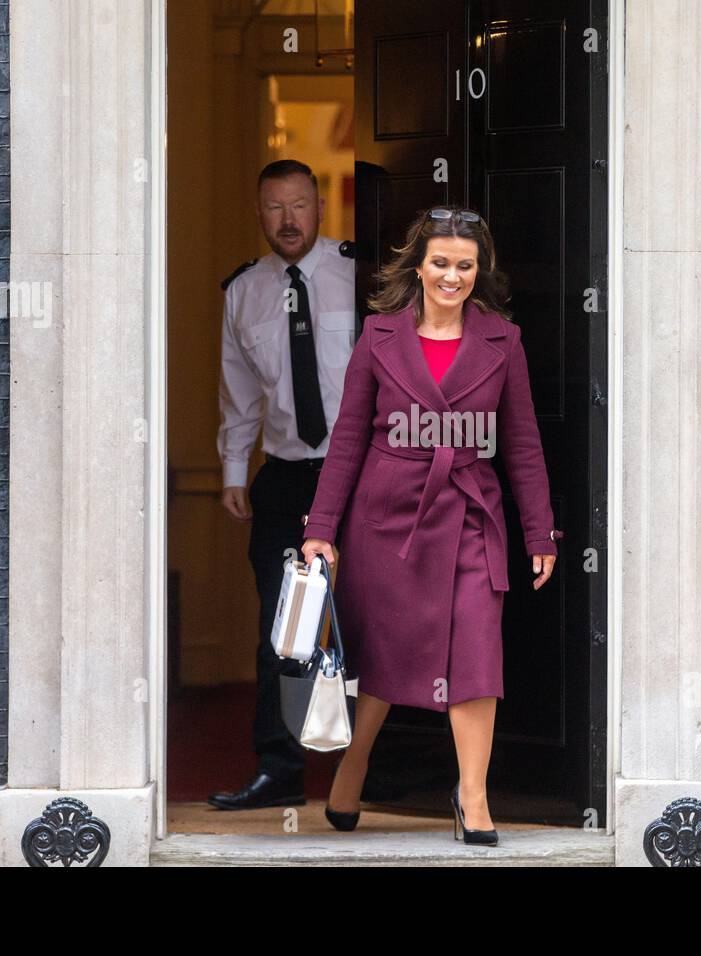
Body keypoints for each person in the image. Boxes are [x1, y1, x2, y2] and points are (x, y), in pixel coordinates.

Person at [300, 205, 562, 844]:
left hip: (472, 512)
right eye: (441, 263)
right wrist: (321, 526)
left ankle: (473, 796)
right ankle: (355, 760)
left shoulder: (505, 340)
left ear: (480, 270)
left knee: (476, 649)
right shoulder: (379, 336)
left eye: (465, 266)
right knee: (385, 653)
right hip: (387, 518)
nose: (453, 276)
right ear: (417, 265)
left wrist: (540, 531)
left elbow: (523, 442)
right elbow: (348, 439)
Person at [209, 159, 356, 810]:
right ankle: (280, 768)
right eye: (274, 207)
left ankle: (375, 769)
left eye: (299, 205)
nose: (288, 220)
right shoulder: (244, 292)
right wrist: (235, 471)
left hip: (360, 475)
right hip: (287, 479)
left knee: (371, 622)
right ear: (259, 213)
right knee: (284, 628)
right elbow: (239, 394)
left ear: (320, 207)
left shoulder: (360, 271)